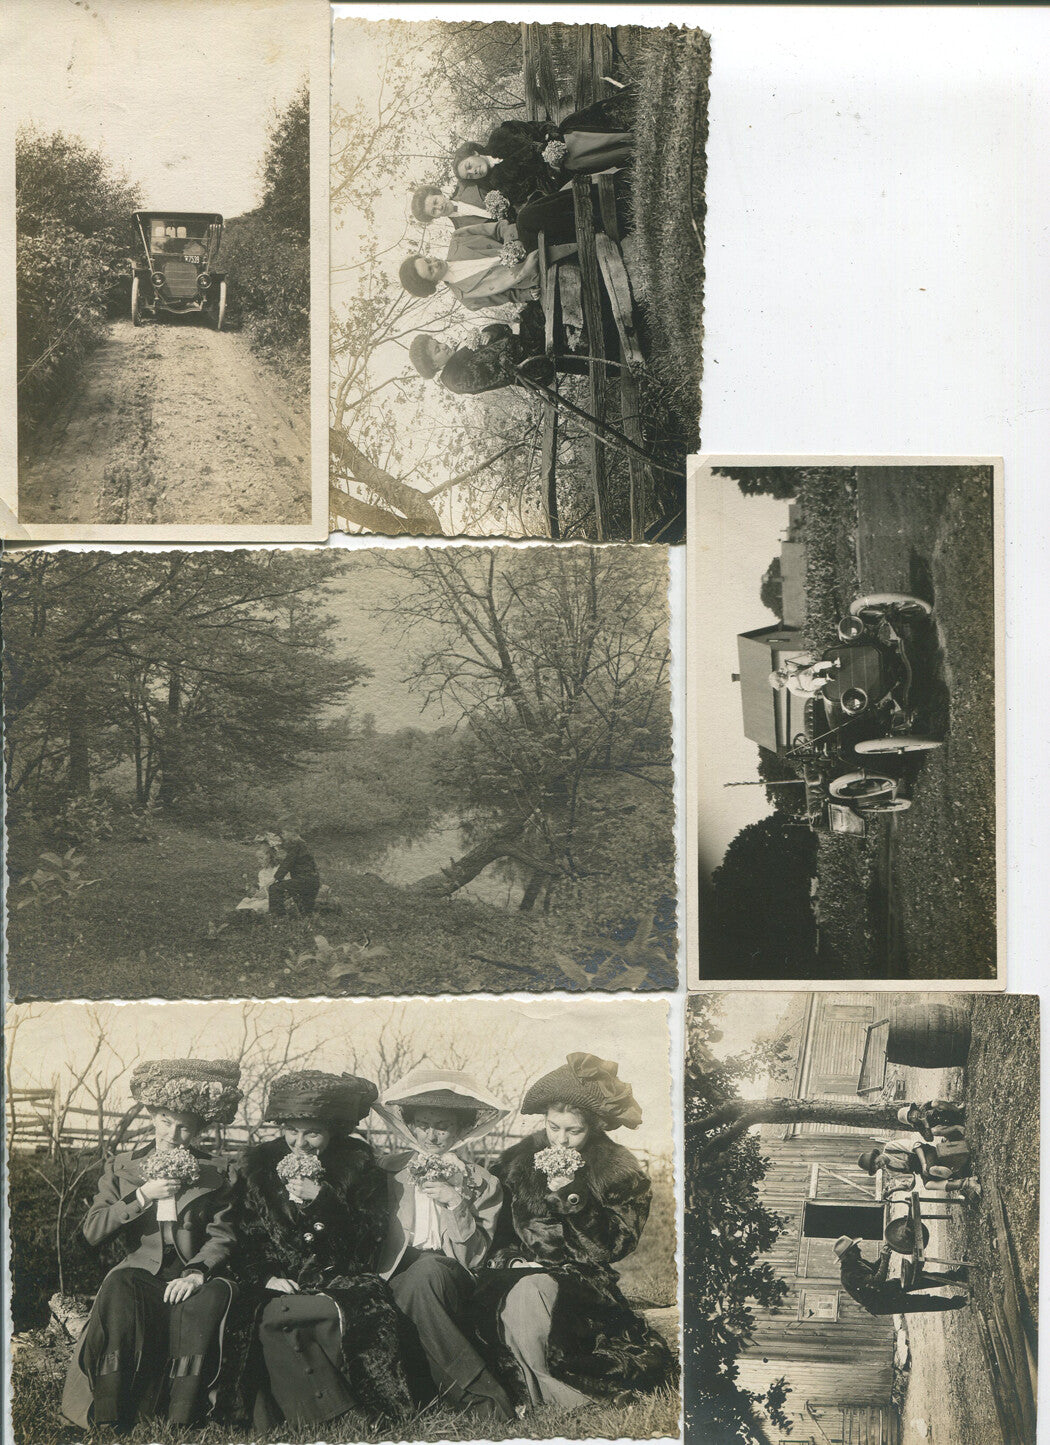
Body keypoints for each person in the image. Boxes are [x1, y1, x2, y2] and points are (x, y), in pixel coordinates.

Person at [472, 1052, 678, 1412]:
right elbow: (498, 1232)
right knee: (516, 1292)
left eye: (574, 1130)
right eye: (553, 1127)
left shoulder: (617, 1169)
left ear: (594, 1127)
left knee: (539, 1298)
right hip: (515, 1271)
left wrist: (575, 1198)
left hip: (582, 1280)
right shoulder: (516, 1161)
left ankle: (546, 1396)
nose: (561, 1140)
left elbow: (616, 1244)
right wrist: (514, 1259)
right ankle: (520, 1391)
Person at [224, 1071, 413, 1431]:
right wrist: (267, 1275)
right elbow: (247, 1236)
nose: (300, 1142)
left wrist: (324, 1200)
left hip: (342, 1278)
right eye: (291, 1130)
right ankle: (336, 1415)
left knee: (314, 1313)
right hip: (281, 1279)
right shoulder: (259, 1168)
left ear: (332, 1131)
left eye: (312, 1132)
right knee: (271, 1314)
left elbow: (370, 1237)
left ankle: (336, 1414)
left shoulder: (357, 1167)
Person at [61, 1059, 243, 1432]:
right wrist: (141, 1196)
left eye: (185, 1128)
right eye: (165, 1121)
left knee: (209, 1299)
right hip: (141, 1271)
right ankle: (111, 1413)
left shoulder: (219, 1171)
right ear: (152, 1115)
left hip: (192, 1271)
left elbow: (222, 1235)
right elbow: (91, 1232)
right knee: (119, 1286)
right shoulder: (122, 1166)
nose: (173, 1135)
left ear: (198, 1130)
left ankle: (183, 1415)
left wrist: (197, 1272)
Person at [373, 1068, 516, 1424]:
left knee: (428, 1273)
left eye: (443, 1125)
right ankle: (469, 1391)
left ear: (460, 1129)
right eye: (422, 1124)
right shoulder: (386, 1171)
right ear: (409, 1124)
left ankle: (480, 1395)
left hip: (451, 1272)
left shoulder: (483, 1182)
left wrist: (457, 1204)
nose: (432, 1135)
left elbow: (475, 1256)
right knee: (414, 1283)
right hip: (393, 1271)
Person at [452, 90, 635, 213]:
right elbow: (542, 189)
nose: (473, 172)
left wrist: (552, 139)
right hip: (563, 170)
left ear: (474, 153)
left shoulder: (501, 134)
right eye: (469, 176)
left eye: (468, 166)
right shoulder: (501, 186)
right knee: (574, 161)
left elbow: (541, 127)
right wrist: (553, 167)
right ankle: (630, 149)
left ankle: (629, 130)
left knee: (573, 132)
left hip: (563, 139)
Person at [409, 304, 559, 396]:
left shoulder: (458, 350)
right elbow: (502, 372)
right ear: (434, 365)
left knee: (535, 303)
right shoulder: (454, 379)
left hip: (527, 346)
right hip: (532, 366)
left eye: (439, 342)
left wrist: (489, 333)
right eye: (437, 350)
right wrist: (513, 334)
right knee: (538, 309)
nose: (443, 346)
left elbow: (502, 330)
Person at [399, 221, 540, 312]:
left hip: (528, 240)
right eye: (431, 270)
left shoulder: (458, 238)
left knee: (528, 216)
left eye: (428, 260)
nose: (434, 263)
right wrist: (527, 294)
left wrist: (514, 242)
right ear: (432, 283)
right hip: (532, 274)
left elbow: (499, 228)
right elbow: (507, 296)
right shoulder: (468, 299)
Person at [833, 1237, 970, 1315]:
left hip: (884, 1290)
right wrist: (885, 1259)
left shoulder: (856, 1262)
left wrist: (887, 1250)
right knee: (923, 1302)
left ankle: (957, 1276)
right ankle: (960, 1302)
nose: (859, 1249)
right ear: (848, 1254)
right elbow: (877, 1280)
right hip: (882, 1303)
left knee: (919, 1279)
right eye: (855, 1249)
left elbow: (875, 1269)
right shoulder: (849, 1275)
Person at [858, 1134, 972, 1186]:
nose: (880, 1165)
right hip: (921, 1169)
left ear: (876, 1156)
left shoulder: (890, 1147)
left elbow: (916, 1146)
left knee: (932, 1169)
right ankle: (963, 1184)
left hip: (925, 1153)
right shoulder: (891, 1170)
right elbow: (909, 1180)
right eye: (878, 1167)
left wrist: (923, 1163)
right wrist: (901, 1187)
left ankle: (961, 1175)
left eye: (877, 1162)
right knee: (928, 1185)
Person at [268, 824, 320, 918]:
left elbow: (287, 863)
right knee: (305, 914)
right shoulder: (302, 845)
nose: (283, 836)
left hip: (304, 881)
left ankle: (278, 917)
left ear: (292, 833)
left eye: (284, 833)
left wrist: (276, 878)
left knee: (274, 888)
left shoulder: (297, 845)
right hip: (313, 881)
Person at [412, 184, 500, 228]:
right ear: (435, 217)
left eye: (436, 201)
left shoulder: (467, 185)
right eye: (434, 211)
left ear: (439, 193)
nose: (439, 207)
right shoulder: (463, 230)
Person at [770, 655, 838, 698]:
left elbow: (795, 668)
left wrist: (787, 667)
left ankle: (833, 663)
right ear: (781, 684)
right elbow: (802, 694)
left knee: (817, 666)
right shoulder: (791, 688)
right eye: (780, 677)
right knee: (815, 682)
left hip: (807, 673)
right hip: (808, 685)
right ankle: (827, 679)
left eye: (780, 674)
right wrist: (811, 694)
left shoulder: (789, 672)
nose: (782, 675)